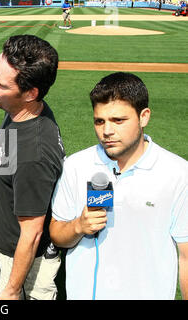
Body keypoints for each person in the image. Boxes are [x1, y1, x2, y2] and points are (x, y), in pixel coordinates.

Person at [50, 72, 188, 300]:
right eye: (99, 121)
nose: (106, 131)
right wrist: (78, 226)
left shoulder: (177, 173)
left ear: (144, 117)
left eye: (118, 121)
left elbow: (186, 255)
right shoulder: (76, 165)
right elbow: (56, 233)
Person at [0, 35, 66, 300]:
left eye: (0, 84)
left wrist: (10, 290)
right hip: (9, 254)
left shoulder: (33, 155)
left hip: (24, 265)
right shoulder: (19, 112)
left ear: (31, 93)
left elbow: (31, 235)